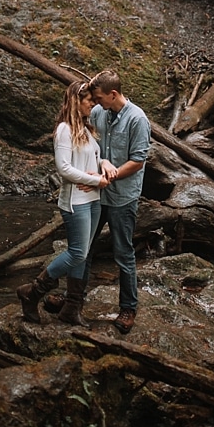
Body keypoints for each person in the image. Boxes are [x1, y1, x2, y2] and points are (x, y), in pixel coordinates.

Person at [16, 80, 109, 325]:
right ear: (76, 102)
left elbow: (92, 159)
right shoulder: (64, 130)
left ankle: (71, 308)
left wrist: (104, 164)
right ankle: (32, 292)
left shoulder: (87, 130)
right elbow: (64, 169)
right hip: (75, 201)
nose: (93, 104)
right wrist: (94, 179)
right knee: (77, 253)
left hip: (93, 200)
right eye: (89, 101)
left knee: (83, 253)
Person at [87, 69, 151, 334]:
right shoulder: (97, 113)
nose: (95, 102)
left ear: (113, 94)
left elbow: (138, 161)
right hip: (95, 193)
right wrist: (100, 163)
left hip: (122, 196)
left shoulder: (138, 119)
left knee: (123, 253)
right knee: (83, 247)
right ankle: (73, 299)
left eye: (100, 98)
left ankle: (128, 308)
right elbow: (89, 142)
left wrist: (110, 177)